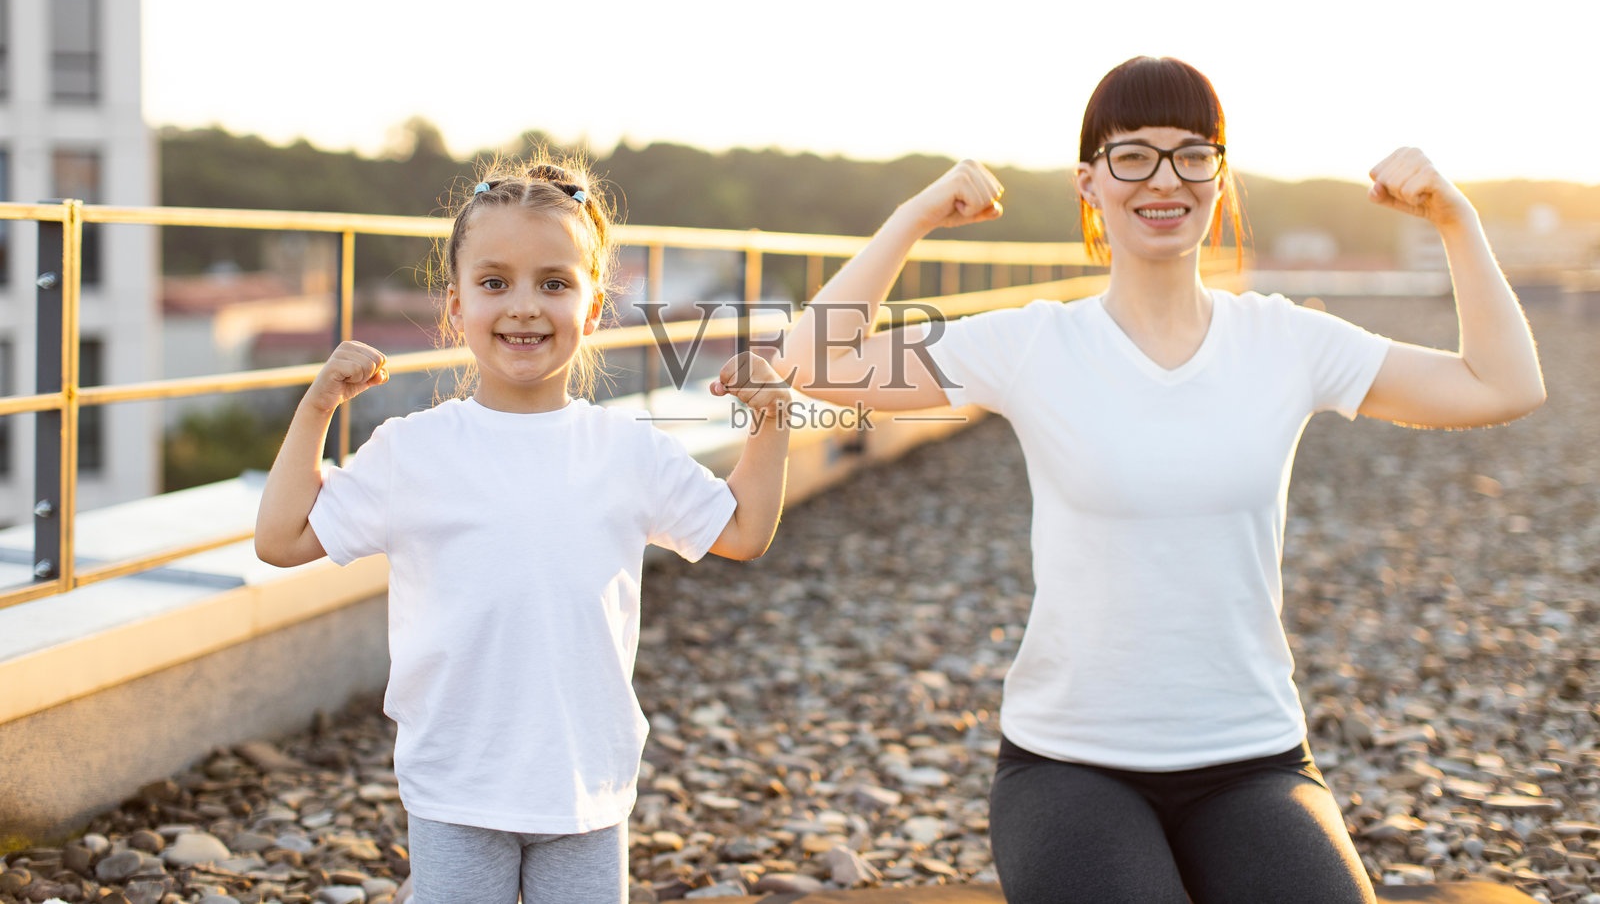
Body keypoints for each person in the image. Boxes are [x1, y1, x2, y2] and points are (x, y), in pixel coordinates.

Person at [773, 56, 1545, 904]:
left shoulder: (1285, 340)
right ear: (1090, 182)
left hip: (1255, 759)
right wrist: (914, 216)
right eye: (1132, 154)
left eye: (1191, 153)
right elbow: (812, 362)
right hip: (1068, 764)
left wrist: (1456, 218)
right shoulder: (1034, 343)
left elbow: (1502, 385)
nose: (1164, 179)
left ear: (1220, 175)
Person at [254, 155, 792, 904]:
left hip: (585, 784)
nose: (525, 306)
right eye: (495, 282)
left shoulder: (628, 450)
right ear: (455, 306)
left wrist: (772, 420)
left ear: (594, 307)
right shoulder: (412, 449)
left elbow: (743, 530)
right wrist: (316, 408)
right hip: (457, 783)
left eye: (555, 283)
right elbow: (281, 540)